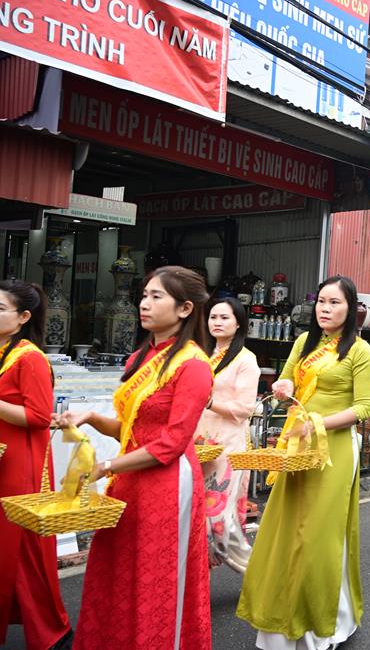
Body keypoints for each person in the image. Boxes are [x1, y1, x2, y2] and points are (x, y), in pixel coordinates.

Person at [59, 266, 214, 650]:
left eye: (156, 296)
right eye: (144, 295)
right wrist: (90, 417)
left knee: (157, 578)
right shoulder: (140, 359)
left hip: (167, 487)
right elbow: (129, 430)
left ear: (184, 309)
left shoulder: (194, 366)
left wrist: (107, 466)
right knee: (117, 572)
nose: (145, 303)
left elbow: (171, 444)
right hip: (128, 478)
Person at [237, 276, 370, 648]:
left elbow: (364, 408)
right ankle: (280, 622)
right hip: (296, 446)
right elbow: (285, 388)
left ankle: (323, 625)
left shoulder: (360, 351)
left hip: (335, 451)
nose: (325, 309)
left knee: (319, 537)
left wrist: (317, 423)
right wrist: (282, 390)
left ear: (351, 308)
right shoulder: (304, 343)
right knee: (285, 533)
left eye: (335, 303)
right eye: (321, 302)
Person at [0, 281, 72, 650]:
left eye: (0, 309)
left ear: (24, 317)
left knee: (22, 545)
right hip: (4, 457)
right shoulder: (4, 351)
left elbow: (40, 417)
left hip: (20, 462)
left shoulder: (30, 358)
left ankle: (52, 630)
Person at [196, 297, 259, 571]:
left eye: (224, 318)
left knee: (219, 516)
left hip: (227, 444)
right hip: (198, 442)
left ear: (239, 323)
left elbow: (244, 408)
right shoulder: (202, 355)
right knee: (197, 514)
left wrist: (208, 402)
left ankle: (255, 573)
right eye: (213, 317)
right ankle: (199, 581)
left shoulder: (246, 360)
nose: (217, 322)